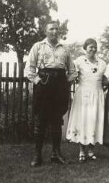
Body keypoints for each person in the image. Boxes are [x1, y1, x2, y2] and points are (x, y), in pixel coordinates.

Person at [25, 21, 76, 167]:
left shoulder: (65, 49)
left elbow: (72, 71)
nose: (54, 31)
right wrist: (38, 81)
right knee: (41, 121)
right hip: (44, 83)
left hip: (59, 85)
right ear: (46, 31)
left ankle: (56, 154)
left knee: (56, 120)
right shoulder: (38, 46)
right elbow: (30, 68)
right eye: (51, 29)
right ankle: (37, 155)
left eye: (56, 29)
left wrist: (66, 83)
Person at [66, 38, 106, 162]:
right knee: (83, 121)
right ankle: (82, 151)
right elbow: (71, 75)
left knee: (95, 120)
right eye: (90, 47)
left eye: (95, 47)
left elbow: (105, 79)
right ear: (85, 48)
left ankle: (91, 150)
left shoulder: (102, 63)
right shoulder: (79, 61)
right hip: (83, 95)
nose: (93, 49)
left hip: (98, 94)